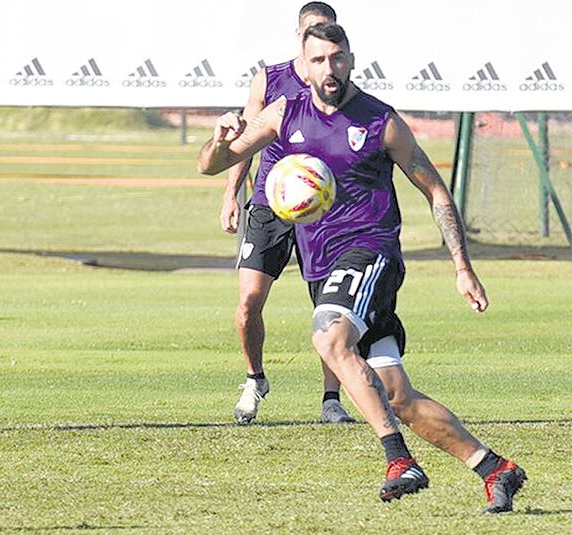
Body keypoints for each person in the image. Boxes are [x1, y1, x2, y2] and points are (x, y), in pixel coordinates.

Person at [198, 23, 526, 512]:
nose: (329, 69)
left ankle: (398, 460)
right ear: (302, 65)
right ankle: (494, 467)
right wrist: (220, 140)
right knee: (397, 396)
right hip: (323, 266)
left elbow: (435, 190)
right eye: (318, 60)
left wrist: (462, 265)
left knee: (329, 337)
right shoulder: (285, 113)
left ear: (351, 58)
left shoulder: (380, 121)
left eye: (337, 58)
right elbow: (210, 164)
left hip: (371, 253)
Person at [222, 1, 353, 425]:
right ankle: (254, 377)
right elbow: (245, 137)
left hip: (322, 209)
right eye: (312, 30)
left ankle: (331, 399)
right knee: (248, 302)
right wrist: (230, 195)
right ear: (299, 35)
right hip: (268, 203)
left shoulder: (338, 84)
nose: (319, 37)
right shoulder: (271, 78)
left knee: (328, 308)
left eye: (327, 30)